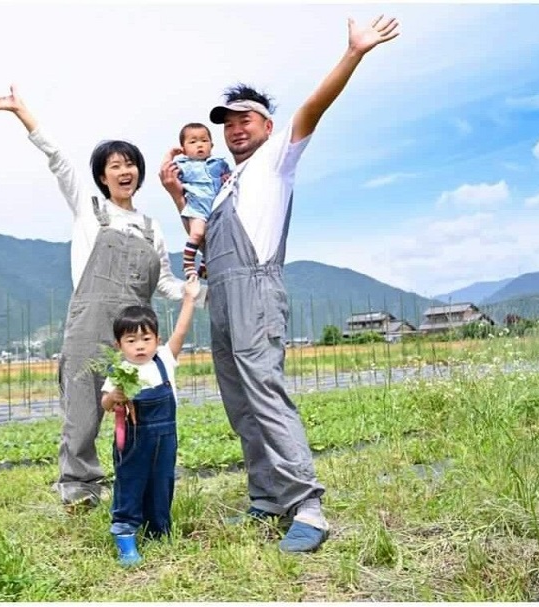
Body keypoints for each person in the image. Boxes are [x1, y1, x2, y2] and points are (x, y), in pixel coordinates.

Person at [158, 15, 400, 553]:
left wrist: (354, 53)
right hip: (223, 293)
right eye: (228, 123)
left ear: (267, 127)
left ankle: (308, 507)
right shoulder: (224, 184)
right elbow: (198, 234)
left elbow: (313, 107)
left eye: (246, 119)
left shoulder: (276, 161)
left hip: (257, 290)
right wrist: (178, 196)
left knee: (264, 391)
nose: (236, 128)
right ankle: (267, 498)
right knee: (239, 399)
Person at [0, 85, 201, 509]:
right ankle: (79, 490)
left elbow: (166, 284)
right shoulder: (89, 209)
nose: (124, 171)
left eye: (130, 165)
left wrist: (197, 291)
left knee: (142, 409)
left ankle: (138, 484)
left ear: (138, 172)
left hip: (137, 334)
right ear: (103, 176)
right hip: (90, 325)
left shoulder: (150, 227)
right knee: (82, 412)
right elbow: (59, 161)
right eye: (114, 166)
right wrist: (23, 113)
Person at [100, 275, 201, 566]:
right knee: (130, 485)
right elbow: (105, 404)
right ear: (119, 345)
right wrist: (115, 396)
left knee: (162, 483)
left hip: (165, 438)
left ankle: (159, 530)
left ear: (157, 340)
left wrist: (189, 298)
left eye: (146, 339)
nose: (140, 346)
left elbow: (181, 330)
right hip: (133, 441)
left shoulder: (165, 360)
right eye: (131, 341)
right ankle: (125, 536)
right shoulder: (119, 370)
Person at [173, 123, 231, 279]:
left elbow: (230, 177)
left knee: (214, 238)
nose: (199, 145)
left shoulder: (219, 163)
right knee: (197, 233)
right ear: (183, 149)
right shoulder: (183, 166)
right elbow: (166, 173)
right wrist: (170, 155)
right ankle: (189, 264)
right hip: (197, 207)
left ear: (211, 145)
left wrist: (226, 177)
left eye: (204, 141)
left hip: (216, 209)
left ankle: (205, 266)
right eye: (193, 142)